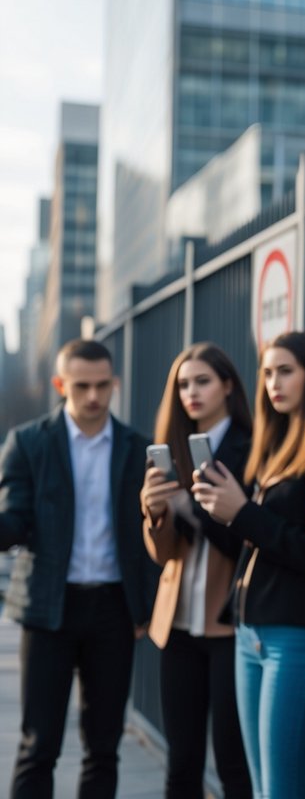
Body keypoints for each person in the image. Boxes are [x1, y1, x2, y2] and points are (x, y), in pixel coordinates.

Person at [191, 330, 305, 798]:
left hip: (301, 636)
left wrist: (242, 512)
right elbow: (255, 539)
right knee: (263, 786)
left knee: (284, 789)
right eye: (267, 372)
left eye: (286, 371)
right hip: (250, 632)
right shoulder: (274, 447)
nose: (273, 383)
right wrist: (215, 510)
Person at [0, 338, 160, 799]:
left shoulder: (137, 448)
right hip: (49, 607)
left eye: (102, 386)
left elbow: (150, 533)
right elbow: (14, 520)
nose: (93, 396)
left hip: (113, 609)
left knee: (103, 747)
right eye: (82, 386)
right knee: (38, 745)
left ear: (114, 384)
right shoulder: (28, 443)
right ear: (60, 384)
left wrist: (142, 606)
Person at [140, 342, 253, 798]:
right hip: (178, 625)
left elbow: (245, 537)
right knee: (181, 761)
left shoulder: (250, 448)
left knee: (232, 761)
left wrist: (195, 509)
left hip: (229, 626)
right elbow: (162, 554)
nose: (192, 392)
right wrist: (156, 513)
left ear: (227, 385)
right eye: (184, 384)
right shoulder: (170, 451)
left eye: (202, 381)